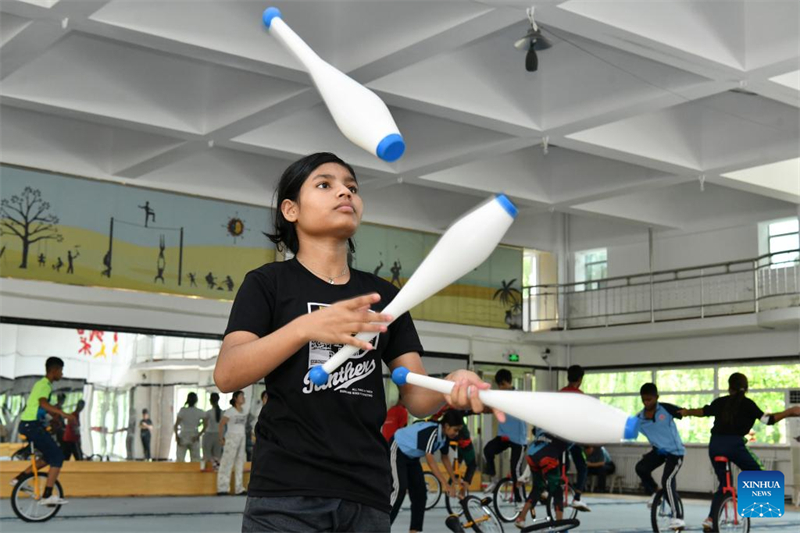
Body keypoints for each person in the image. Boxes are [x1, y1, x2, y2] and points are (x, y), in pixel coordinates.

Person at [214, 152, 496, 532]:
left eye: (352, 187)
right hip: (286, 491)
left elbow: (415, 396)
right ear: (291, 210)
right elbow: (228, 374)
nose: (345, 193)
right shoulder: (267, 283)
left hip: (366, 493)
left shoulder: (385, 296)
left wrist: (450, 387)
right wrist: (305, 327)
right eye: (325, 184)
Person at [680, 373, 800, 531]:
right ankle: (745, 500)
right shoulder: (748, 404)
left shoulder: (721, 402)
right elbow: (768, 420)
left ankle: (710, 519)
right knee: (758, 472)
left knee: (723, 485)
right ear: (746, 388)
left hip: (715, 445)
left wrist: (687, 412)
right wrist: (789, 412)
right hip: (734, 445)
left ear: (729, 388)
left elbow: (703, 411)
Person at [9, 357, 75, 506]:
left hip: (28, 425)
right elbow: (43, 403)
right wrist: (62, 414)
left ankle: (19, 479)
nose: (62, 374)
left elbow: (40, 407)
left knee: (48, 457)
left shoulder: (41, 384)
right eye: (61, 371)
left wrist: (54, 417)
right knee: (58, 456)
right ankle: (47, 495)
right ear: (54, 370)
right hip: (32, 426)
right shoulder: (45, 385)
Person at [390, 409, 464, 532]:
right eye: (455, 430)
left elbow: (445, 458)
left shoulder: (444, 437)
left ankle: (414, 530)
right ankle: (380, 527)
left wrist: (454, 479)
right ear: (446, 426)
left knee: (420, 494)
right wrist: (445, 484)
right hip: (397, 448)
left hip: (412, 457)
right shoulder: (433, 431)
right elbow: (430, 461)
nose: (456, 433)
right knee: (399, 490)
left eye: (459, 430)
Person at [634, 383, 685, 529]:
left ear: (656, 397)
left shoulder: (666, 409)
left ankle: (677, 517)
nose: (646, 403)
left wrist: (697, 412)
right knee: (640, 468)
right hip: (659, 451)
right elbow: (626, 429)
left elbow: (684, 413)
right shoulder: (640, 418)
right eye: (644, 400)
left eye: (649, 399)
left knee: (667, 481)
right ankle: (655, 492)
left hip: (675, 453)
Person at [483, 369, 527, 506]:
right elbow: (489, 408)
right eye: (499, 385)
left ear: (509, 382)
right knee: (488, 450)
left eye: (503, 384)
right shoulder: (499, 396)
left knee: (515, 470)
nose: (501, 387)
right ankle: (494, 479)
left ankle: (520, 500)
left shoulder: (519, 396)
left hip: (518, 439)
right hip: (504, 436)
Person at [515, 427, 570, 530]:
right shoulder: (568, 434)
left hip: (531, 454)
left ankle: (521, 518)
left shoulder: (543, 431)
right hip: (546, 457)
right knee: (557, 491)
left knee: (537, 488)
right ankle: (560, 525)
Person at [559, 364, 591, 512]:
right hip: (572, 436)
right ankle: (577, 498)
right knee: (582, 467)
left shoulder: (560, 394)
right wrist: (587, 443)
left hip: (559, 435)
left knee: (560, 468)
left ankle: (548, 490)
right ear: (580, 379)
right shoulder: (580, 395)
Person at [217, 391, 248, 496]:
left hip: (242, 437)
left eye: (243, 396)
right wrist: (221, 438)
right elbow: (221, 424)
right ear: (235, 398)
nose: (243, 398)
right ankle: (222, 488)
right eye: (241, 396)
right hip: (231, 437)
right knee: (227, 462)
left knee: (240, 462)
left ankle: (239, 488)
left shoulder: (244, 411)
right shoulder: (230, 411)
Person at [174, 392, 205, 462]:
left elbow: (176, 425)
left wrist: (176, 436)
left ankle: (179, 469)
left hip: (183, 435)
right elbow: (206, 425)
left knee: (180, 459)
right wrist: (198, 435)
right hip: (194, 435)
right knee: (195, 460)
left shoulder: (183, 411)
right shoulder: (199, 412)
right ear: (196, 400)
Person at [203, 393, 223, 470]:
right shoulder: (222, 412)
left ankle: (207, 469)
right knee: (217, 455)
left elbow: (205, 425)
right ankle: (216, 470)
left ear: (210, 401)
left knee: (207, 454)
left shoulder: (208, 412)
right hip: (219, 434)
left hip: (209, 434)